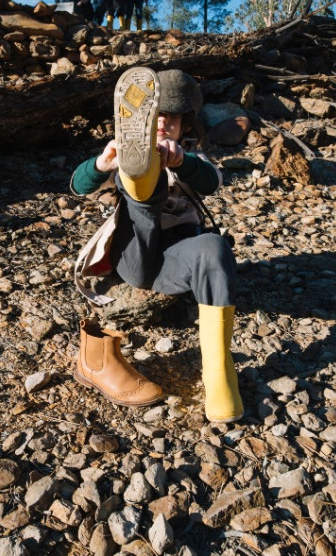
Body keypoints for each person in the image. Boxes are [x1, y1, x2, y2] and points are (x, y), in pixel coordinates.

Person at [70, 67, 244, 423]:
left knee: (213, 247)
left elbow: (211, 182)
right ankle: (140, 177)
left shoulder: (192, 158)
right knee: (138, 189)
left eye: (172, 120)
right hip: (134, 249)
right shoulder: (120, 153)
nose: (163, 124)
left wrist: (180, 161)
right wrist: (104, 162)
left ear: (184, 128)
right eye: (155, 118)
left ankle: (219, 379)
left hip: (176, 257)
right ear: (142, 124)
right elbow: (77, 185)